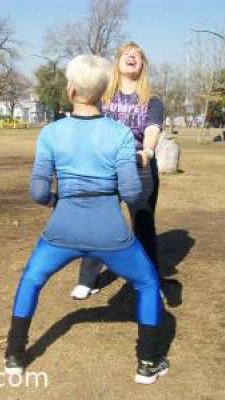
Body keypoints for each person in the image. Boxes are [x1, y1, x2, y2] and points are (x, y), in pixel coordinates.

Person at [4, 54, 169, 384]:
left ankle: (14, 355)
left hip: (61, 230)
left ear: (70, 89)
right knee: (148, 283)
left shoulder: (50, 133)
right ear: (106, 87)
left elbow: (38, 193)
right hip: (110, 231)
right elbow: (134, 195)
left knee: (32, 279)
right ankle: (148, 363)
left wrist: (58, 201)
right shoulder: (121, 135)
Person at [71, 42, 164, 301]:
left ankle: (149, 281)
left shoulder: (152, 99)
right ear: (118, 61)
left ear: (142, 65)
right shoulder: (103, 96)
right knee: (100, 222)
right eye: (127, 54)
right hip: (106, 167)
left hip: (140, 165)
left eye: (138, 55)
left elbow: (153, 129)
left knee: (143, 224)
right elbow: (90, 127)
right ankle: (88, 280)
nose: (133, 57)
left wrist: (147, 152)